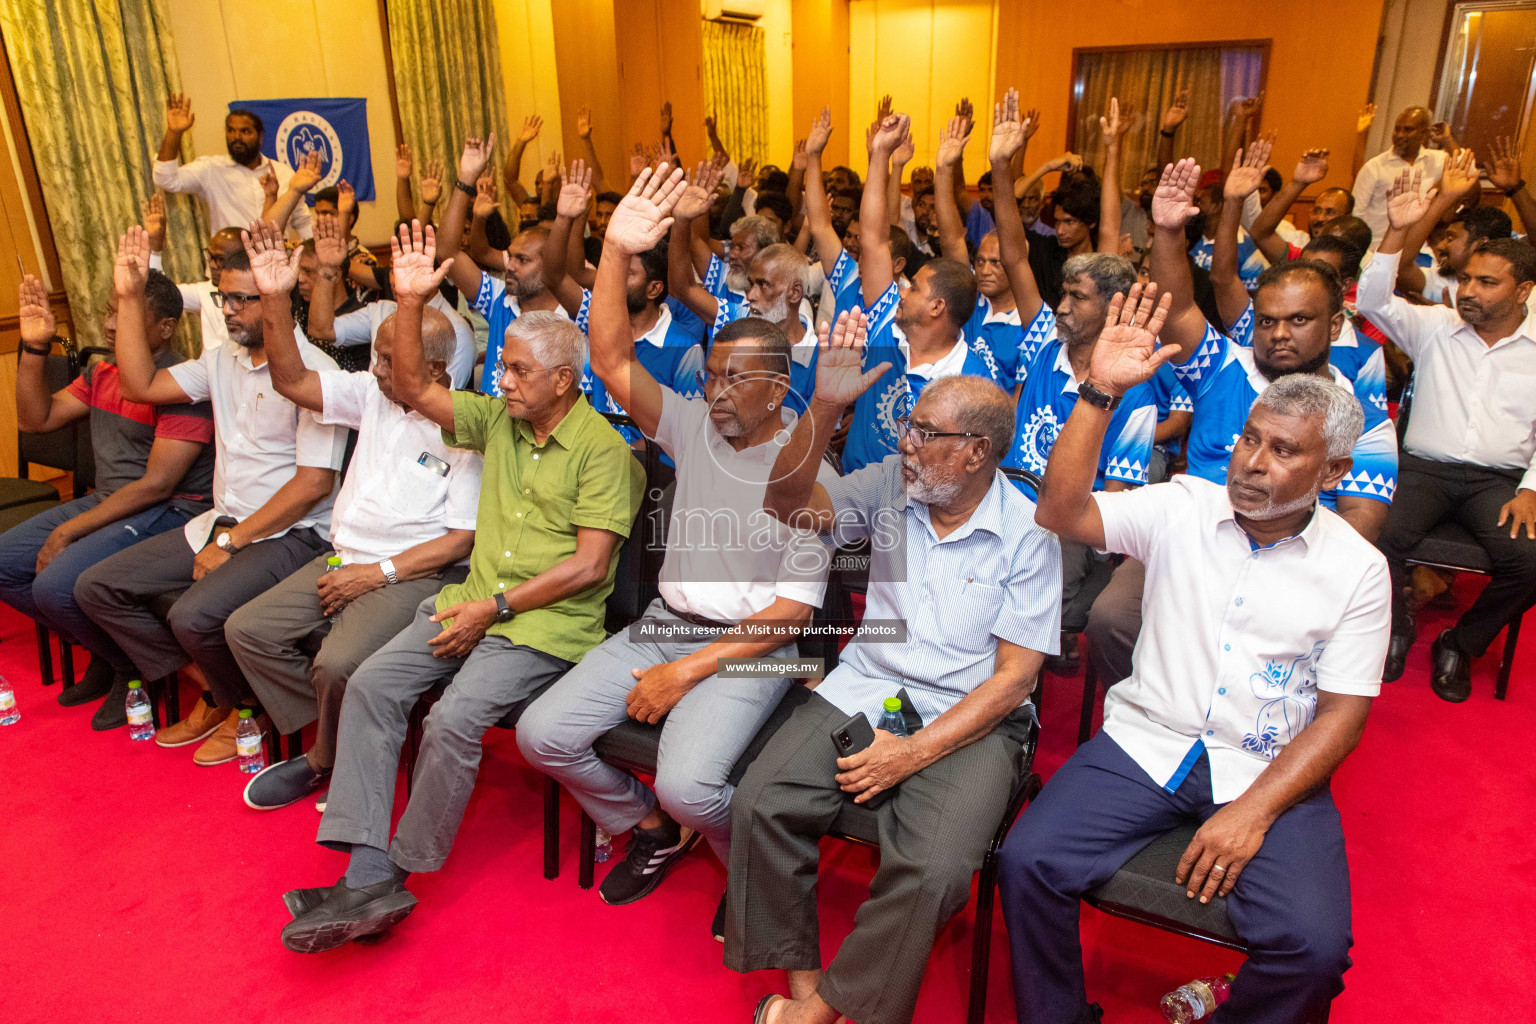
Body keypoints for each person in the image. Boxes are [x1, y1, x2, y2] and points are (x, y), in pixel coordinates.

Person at [1001, 282, 1389, 1024]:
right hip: (1149, 742)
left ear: (1333, 473)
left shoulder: (1358, 570)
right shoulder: (1184, 505)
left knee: (1312, 945)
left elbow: (1342, 718)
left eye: (1282, 451)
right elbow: (1061, 511)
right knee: (1028, 863)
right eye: (1249, 438)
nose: (1250, 462)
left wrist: (1256, 810)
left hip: (1266, 762)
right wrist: (1098, 394)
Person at [278, 222, 643, 953]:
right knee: (374, 685)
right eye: (501, 368)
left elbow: (589, 569)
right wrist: (407, 302)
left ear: (563, 381)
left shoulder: (603, 450)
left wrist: (494, 607)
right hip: (465, 603)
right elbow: (412, 384)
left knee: (451, 722)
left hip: (543, 623)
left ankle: (394, 878)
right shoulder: (498, 422)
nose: (499, 381)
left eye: (515, 372)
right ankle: (367, 871)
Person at [518, 165, 833, 923]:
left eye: (736, 381)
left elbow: (790, 619)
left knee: (689, 785)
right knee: (541, 735)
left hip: (752, 646)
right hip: (663, 628)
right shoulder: (693, 423)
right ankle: (650, 832)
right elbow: (612, 361)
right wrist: (618, 251)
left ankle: (747, 872)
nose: (716, 391)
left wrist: (687, 672)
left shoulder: (808, 475)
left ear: (779, 388)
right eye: (712, 374)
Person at [729, 311, 1059, 1024]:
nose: (905, 443)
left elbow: (1013, 681)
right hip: (870, 685)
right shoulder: (888, 486)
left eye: (924, 433)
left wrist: (908, 755)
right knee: (762, 800)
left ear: (976, 453)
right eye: (908, 426)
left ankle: (820, 1014)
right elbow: (784, 505)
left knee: (934, 870)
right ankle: (811, 989)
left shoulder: (1031, 533)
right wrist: (824, 406)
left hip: (972, 717)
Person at [1084, 159, 1398, 689]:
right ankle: (1155, 709)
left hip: (1289, 554)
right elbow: (1177, 301)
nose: (1279, 334)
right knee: (1110, 618)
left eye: (1299, 321)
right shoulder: (1222, 365)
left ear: (1335, 324)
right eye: (1268, 320)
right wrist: (1166, 231)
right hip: (1189, 540)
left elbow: (1358, 525)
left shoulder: (1358, 415)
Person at [223, 219, 481, 811]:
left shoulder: (465, 426)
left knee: (336, 661)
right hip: (342, 555)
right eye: (379, 358)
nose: (378, 369)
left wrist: (375, 575)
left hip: (413, 573)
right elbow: (290, 379)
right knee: (249, 630)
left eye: (390, 361)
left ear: (435, 369)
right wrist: (274, 298)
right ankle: (341, 735)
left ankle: (324, 759)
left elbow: (459, 542)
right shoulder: (371, 394)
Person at [75, 228, 345, 765]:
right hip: (223, 521)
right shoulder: (222, 359)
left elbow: (314, 484)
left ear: (277, 297)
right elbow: (140, 386)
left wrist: (233, 541)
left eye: (246, 298)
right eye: (226, 297)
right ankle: (224, 693)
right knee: (98, 586)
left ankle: (247, 708)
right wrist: (129, 299)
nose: (232, 310)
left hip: (294, 534)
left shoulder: (317, 373)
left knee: (194, 616)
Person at [0, 271, 214, 728]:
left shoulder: (183, 385)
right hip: (111, 501)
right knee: (4, 560)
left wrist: (67, 529)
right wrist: (35, 348)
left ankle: (131, 670)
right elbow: (36, 420)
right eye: (110, 312)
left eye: (129, 314)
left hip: (168, 510)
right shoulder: (102, 372)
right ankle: (109, 650)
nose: (113, 324)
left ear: (165, 327)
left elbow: (157, 485)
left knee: (54, 586)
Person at [1358, 169, 1536, 701]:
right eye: (1466, 280)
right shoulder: (1435, 327)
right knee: (1374, 535)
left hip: (1499, 483)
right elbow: (1371, 300)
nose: (1468, 292)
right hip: (1424, 471)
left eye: (1487, 283)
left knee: (1529, 564)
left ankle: (1461, 642)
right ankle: (1393, 628)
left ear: (1523, 290)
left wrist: (1532, 488)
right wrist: (1395, 232)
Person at [840, 112, 1002, 474]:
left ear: (937, 307)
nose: (902, 290)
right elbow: (873, 239)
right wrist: (879, 156)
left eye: (913, 287)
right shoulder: (887, 324)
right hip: (852, 493)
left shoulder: (970, 379)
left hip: (917, 511)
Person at [541, 159, 705, 440]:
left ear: (654, 289)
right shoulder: (599, 317)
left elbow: (688, 432)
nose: (615, 280)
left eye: (628, 274)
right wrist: (566, 219)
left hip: (653, 472)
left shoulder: (683, 347)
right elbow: (554, 277)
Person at [436, 133, 569, 396]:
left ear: (550, 266)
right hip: (495, 432)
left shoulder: (574, 315)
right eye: (510, 256)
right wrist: (466, 181)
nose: (510, 265)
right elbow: (447, 251)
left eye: (523, 260)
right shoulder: (499, 299)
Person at [303, 214, 478, 388]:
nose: (397, 279)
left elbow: (443, 404)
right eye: (394, 269)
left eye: (410, 269)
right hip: (371, 411)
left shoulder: (457, 332)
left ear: (434, 272)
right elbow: (321, 330)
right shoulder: (383, 311)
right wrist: (327, 268)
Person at [153, 94, 312, 238]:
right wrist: (174, 132)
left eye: (245, 131)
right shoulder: (211, 169)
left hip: (275, 265)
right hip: (230, 266)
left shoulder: (283, 173)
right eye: (230, 130)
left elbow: (303, 222)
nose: (237, 137)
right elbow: (165, 179)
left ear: (260, 136)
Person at [1392, 150, 1512, 307]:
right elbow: (1399, 267)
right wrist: (1445, 197)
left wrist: (1452, 317)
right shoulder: (1442, 284)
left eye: (1450, 238)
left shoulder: (1509, 292)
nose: (1441, 246)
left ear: (1481, 244)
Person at [1351, 106, 1447, 250]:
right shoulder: (1374, 167)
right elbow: (1356, 214)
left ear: (1424, 134)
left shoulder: (1438, 160)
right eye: (1397, 129)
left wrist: (1448, 140)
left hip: (1417, 251)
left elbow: (1468, 173)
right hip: (1376, 249)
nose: (1400, 135)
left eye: (1408, 130)